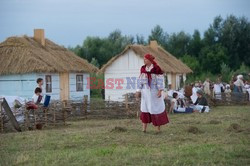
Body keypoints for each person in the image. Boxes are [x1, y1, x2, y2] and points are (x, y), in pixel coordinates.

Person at [136, 54, 169, 133]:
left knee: (155, 109)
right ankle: (144, 129)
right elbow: (140, 80)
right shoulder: (143, 69)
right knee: (144, 109)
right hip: (145, 92)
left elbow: (160, 80)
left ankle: (158, 129)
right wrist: (138, 90)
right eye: (144, 59)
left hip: (154, 92)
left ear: (150, 60)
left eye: (146, 59)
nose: (144, 60)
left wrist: (160, 90)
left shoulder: (156, 69)